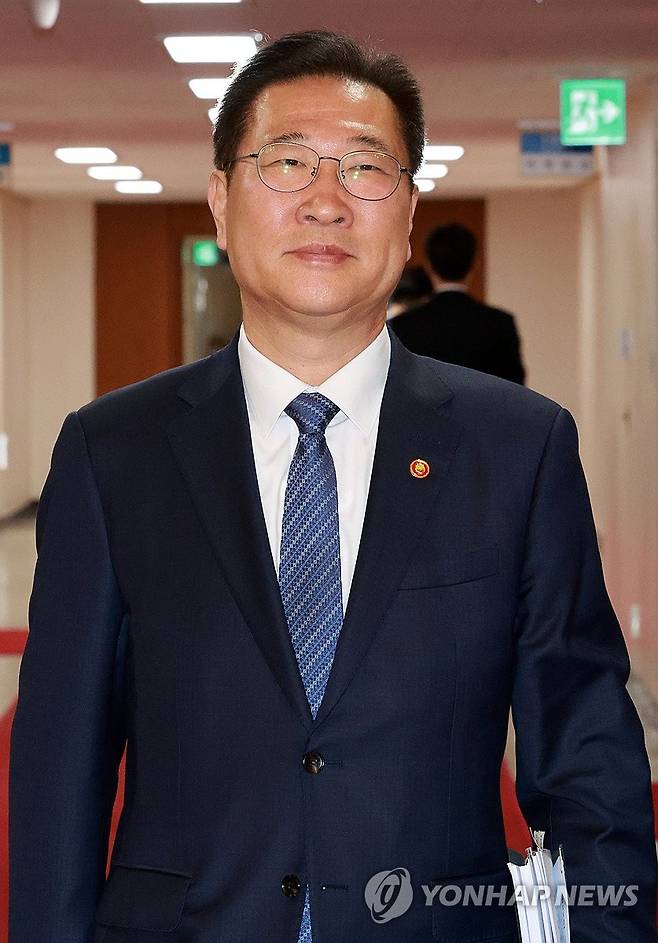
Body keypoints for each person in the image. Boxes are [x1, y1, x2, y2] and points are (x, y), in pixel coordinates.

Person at [9, 29, 656, 943]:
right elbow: (58, 773)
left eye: (365, 167)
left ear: (409, 211)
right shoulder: (112, 453)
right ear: (221, 201)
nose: (325, 200)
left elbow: (590, 763)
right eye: (286, 163)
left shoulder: (519, 449)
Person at [390, 222, 526, 384]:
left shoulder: (403, 325)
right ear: (474, 264)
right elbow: (515, 387)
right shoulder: (500, 323)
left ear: (429, 266)